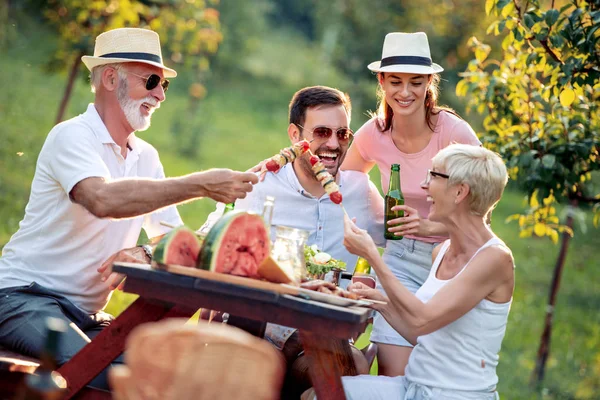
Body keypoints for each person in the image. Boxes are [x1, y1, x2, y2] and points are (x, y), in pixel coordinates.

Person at [0, 28, 257, 389]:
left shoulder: (146, 156)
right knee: (107, 380)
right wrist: (200, 184)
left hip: (87, 315)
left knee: (164, 380)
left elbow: (170, 238)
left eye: (165, 85)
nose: (160, 94)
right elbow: (102, 199)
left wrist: (146, 249)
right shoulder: (71, 136)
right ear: (109, 78)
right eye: (152, 81)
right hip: (25, 297)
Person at [202, 85, 385, 397]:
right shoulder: (260, 186)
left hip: (323, 336)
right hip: (258, 327)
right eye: (322, 132)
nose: (333, 144)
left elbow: (401, 246)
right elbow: (209, 240)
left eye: (342, 134)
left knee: (351, 367)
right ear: (294, 134)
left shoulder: (361, 191)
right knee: (260, 368)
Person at [304, 144, 514, 399]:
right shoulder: (442, 252)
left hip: (455, 395)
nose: (424, 185)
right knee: (316, 395)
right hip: (412, 388)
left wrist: (372, 255)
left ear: (460, 191)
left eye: (434, 176)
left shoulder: (494, 259)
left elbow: (421, 318)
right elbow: (422, 333)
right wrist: (380, 303)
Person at [341, 31, 482, 375]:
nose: (405, 93)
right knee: (395, 374)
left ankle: (370, 352)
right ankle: (375, 351)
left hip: (452, 262)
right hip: (399, 259)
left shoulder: (453, 134)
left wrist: (432, 226)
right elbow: (344, 185)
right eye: (396, 82)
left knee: (435, 371)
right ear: (382, 82)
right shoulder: (373, 133)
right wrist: (377, 224)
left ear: (429, 83)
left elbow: (484, 204)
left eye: (416, 83)